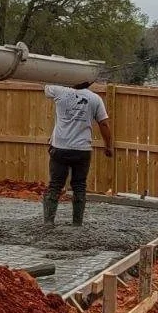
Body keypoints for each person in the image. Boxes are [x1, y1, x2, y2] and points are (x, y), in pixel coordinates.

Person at [43, 81, 113, 227]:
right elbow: (104, 124)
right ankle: (77, 223)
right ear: (89, 81)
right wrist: (108, 146)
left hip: (60, 148)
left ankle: (48, 222)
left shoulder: (59, 91)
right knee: (79, 186)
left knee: (55, 185)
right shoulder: (95, 99)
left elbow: (46, 85)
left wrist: (61, 75)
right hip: (82, 150)